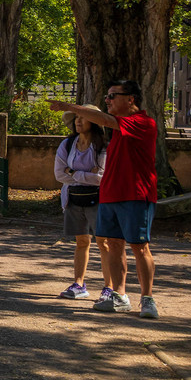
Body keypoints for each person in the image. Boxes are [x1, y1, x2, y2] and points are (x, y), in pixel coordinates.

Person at [48, 80, 160, 318]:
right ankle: (119, 296)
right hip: (109, 195)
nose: (107, 100)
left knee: (140, 247)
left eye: (112, 96)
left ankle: (147, 299)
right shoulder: (117, 130)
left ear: (130, 99)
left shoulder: (143, 122)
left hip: (136, 194)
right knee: (114, 246)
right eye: (106, 97)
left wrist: (70, 106)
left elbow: (107, 121)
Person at [54, 113, 108, 298]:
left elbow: (102, 178)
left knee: (104, 242)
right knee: (82, 241)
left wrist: (73, 172)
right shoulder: (67, 145)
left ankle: (109, 287)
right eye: (76, 117)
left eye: (83, 117)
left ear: (93, 121)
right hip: (74, 199)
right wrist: (86, 174)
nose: (78, 121)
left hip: (99, 200)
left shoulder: (103, 146)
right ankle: (79, 284)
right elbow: (59, 175)